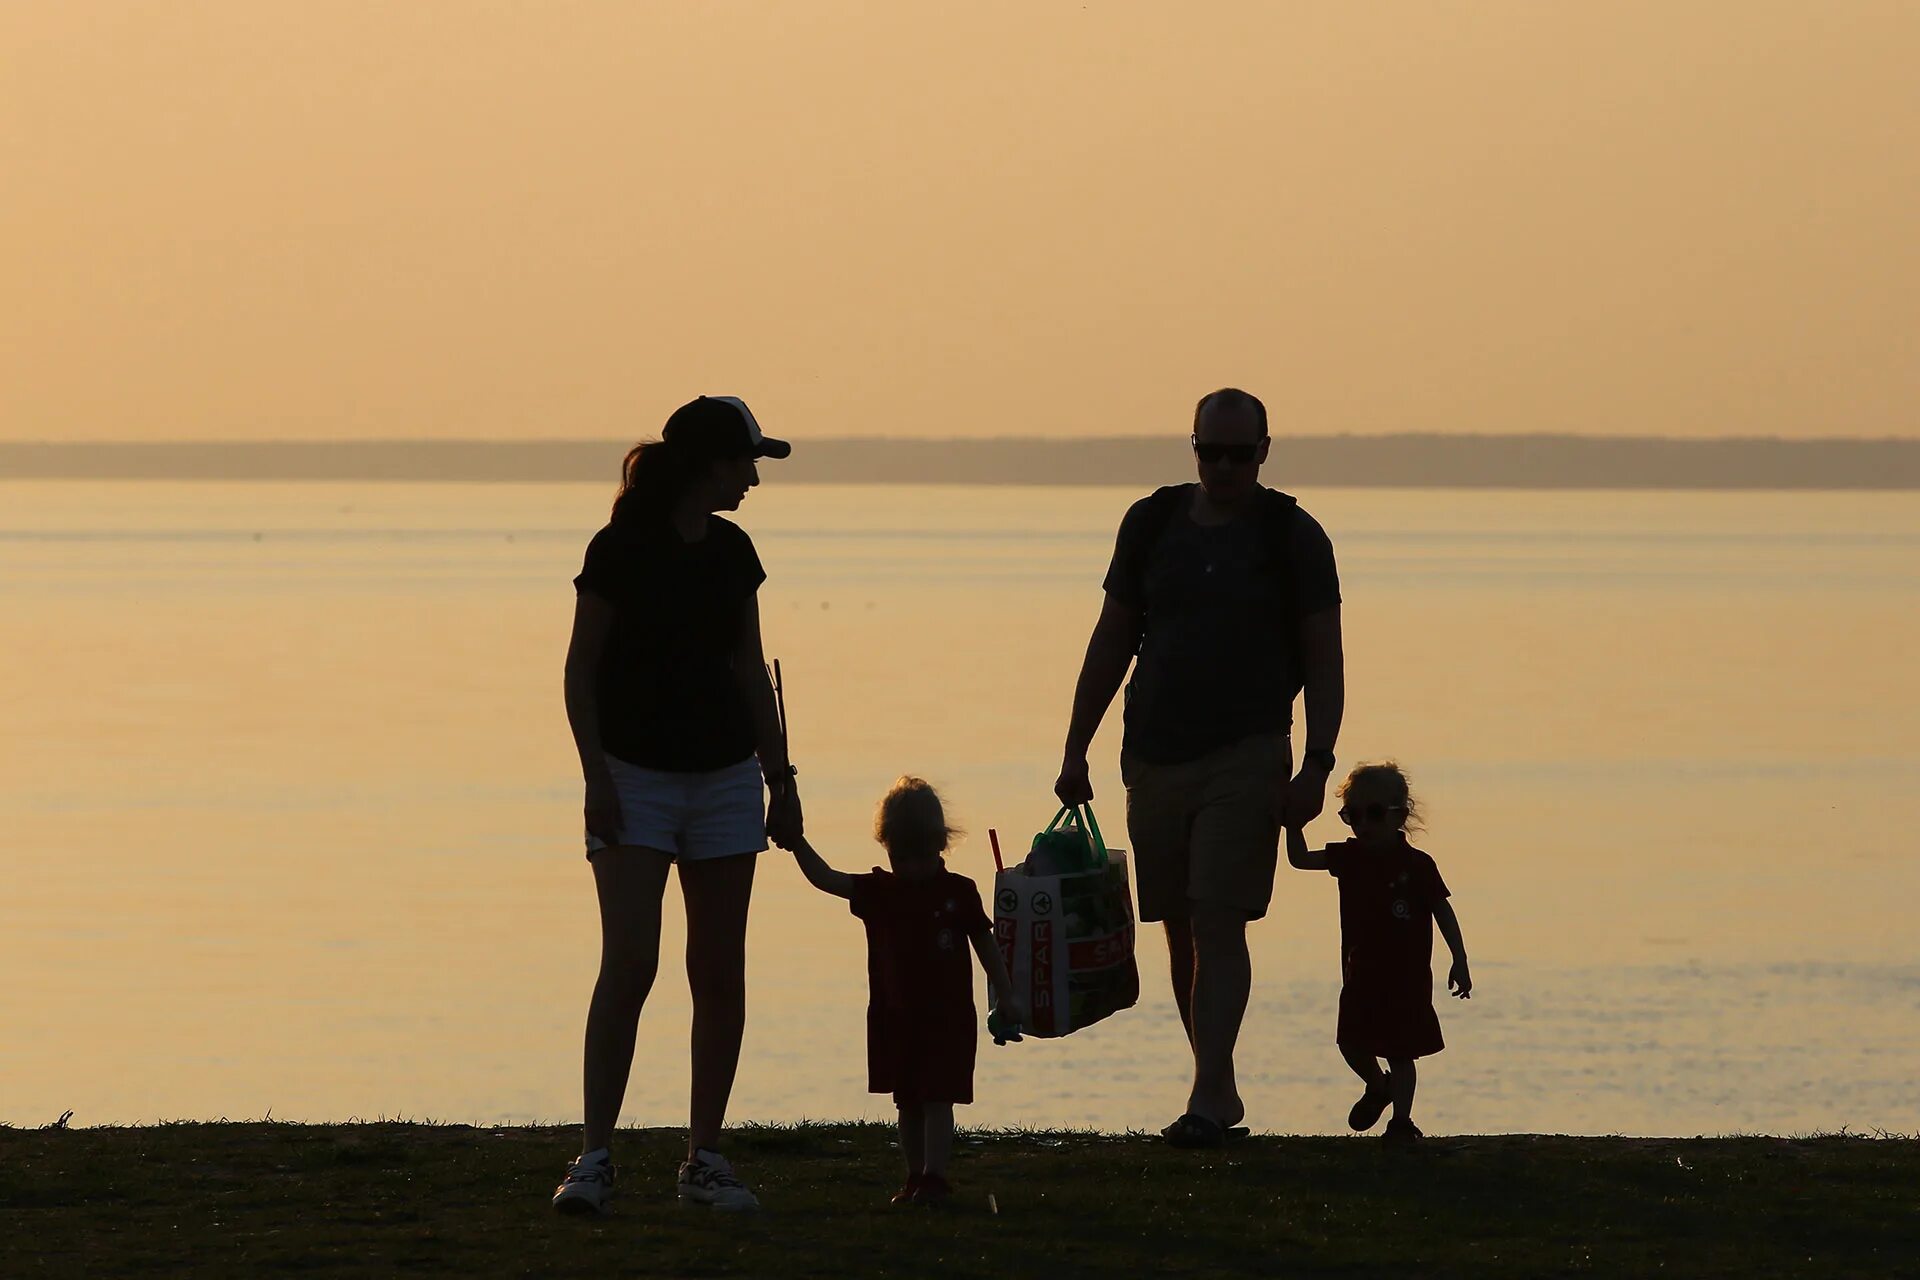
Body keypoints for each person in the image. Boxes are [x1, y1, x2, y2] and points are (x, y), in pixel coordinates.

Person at [1054, 387, 1345, 1147]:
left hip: (1247, 755)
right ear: (1193, 449)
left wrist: (1317, 765)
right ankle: (1217, 1083)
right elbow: (1112, 637)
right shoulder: (1151, 523)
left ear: (1264, 451)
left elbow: (1324, 657)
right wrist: (1074, 745)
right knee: (1178, 925)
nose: (1222, 466)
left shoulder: (1292, 535)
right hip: (1152, 752)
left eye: (1237, 454)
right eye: (1208, 452)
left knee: (1220, 920)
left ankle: (1207, 1098)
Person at [551, 395, 801, 1215]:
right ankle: (593, 1156)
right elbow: (581, 672)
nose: (754, 479)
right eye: (746, 463)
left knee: (718, 970)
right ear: (706, 464)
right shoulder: (620, 548)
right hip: (633, 777)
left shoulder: (733, 551)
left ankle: (704, 1158)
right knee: (630, 963)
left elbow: (748, 670)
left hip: (727, 779)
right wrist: (595, 776)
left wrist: (781, 781)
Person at [786, 777, 1026, 1206]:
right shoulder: (878, 891)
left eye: (918, 856)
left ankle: (935, 1177)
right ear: (888, 847)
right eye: (900, 856)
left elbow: (986, 945)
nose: (910, 867)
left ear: (939, 846)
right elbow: (826, 878)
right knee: (907, 1101)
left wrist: (1005, 993)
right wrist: (796, 842)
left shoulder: (959, 892)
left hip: (948, 1018)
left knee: (938, 1098)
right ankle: (915, 1176)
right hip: (894, 1016)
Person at [1285, 762, 1471, 1145]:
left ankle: (1402, 1121)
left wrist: (1460, 958)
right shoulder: (1349, 857)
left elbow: (1442, 910)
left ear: (1399, 816)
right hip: (1360, 973)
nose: (1362, 825)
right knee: (1350, 1042)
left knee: (1402, 1052)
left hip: (1407, 977)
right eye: (1353, 815)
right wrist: (1292, 825)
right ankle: (1377, 1086)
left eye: (1373, 814)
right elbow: (1301, 860)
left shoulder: (1418, 866)